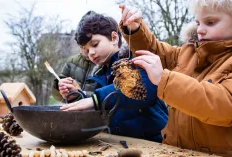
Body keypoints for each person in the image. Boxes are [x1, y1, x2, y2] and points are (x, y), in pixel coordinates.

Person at [119, 0, 232, 156]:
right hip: (174, 151)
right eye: (198, 23)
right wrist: (135, 30)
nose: (200, 30)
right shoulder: (190, 52)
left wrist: (164, 79)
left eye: (210, 22)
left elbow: (228, 105)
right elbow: (156, 52)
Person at [60, 12, 168, 142]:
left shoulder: (134, 58)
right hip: (119, 141)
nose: (91, 53)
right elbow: (99, 106)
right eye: (87, 51)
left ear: (114, 37)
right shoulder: (98, 75)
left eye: (94, 44)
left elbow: (146, 88)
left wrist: (96, 99)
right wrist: (76, 96)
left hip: (153, 141)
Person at [52, 11, 97, 103]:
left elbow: (108, 96)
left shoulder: (104, 62)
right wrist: (60, 86)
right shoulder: (72, 62)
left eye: (92, 45)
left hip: (97, 113)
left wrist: (80, 94)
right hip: (73, 112)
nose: (86, 51)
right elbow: (57, 95)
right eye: (82, 46)